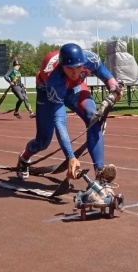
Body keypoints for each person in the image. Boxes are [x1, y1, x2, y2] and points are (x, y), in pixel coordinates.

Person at [15, 43, 122, 183]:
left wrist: (115, 88)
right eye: (69, 69)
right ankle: (24, 158)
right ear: (61, 66)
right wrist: (70, 156)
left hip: (75, 87)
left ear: (83, 62)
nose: (75, 73)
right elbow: (60, 121)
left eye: (78, 67)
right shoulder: (54, 80)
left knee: (93, 118)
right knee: (43, 141)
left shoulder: (91, 59)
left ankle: (100, 172)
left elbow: (106, 75)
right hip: (47, 92)